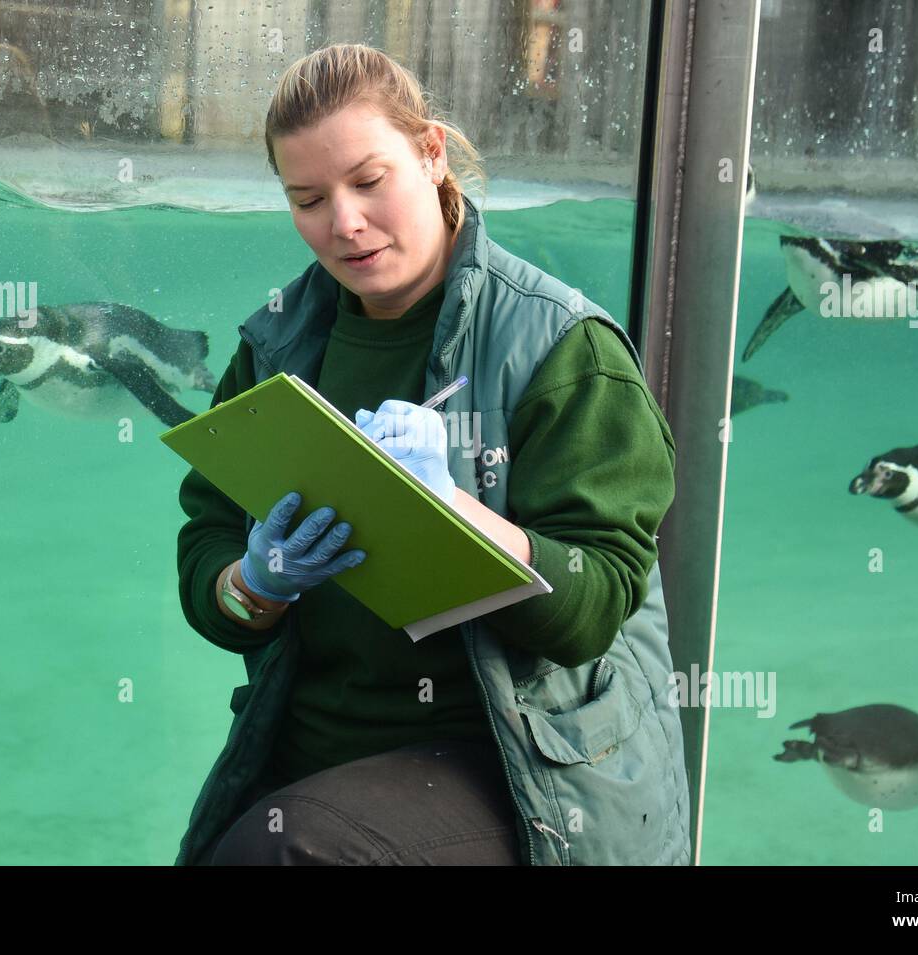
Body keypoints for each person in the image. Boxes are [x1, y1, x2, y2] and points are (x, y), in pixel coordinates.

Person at [174, 43, 689, 866]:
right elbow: (205, 547)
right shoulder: (271, 349)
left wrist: (455, 511)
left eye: (369, 181)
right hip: (315, 753)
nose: (343, 222)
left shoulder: (565, 348)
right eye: (307, 199)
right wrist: (252, 583)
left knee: (280, 854)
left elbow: (595, 611)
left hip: (509, 765)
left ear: (432, 152)